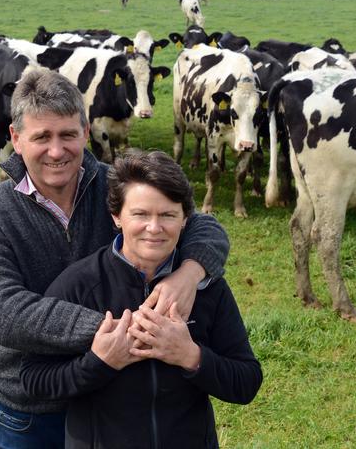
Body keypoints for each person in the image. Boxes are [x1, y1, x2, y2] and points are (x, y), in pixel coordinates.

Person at [0, 69, 230, 448]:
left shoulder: (116, 187)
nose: (56, 151)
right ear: (16, 138)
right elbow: (7, 314)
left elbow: (205, 227)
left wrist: (189, 273)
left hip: (112, 396)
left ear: (86, 133)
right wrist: (124, 332)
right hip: (32, 404)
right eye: (42, 137)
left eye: (68, 135)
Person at [20, 150, 263, 448]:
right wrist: (99, 363)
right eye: (140, 214)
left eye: (168, 215)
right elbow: (33, 379)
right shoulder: (78, 285)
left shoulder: (207, 288)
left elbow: (247, 382)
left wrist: (189, 355)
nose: (154, 227)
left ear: (186, 219)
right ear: (116, 217)